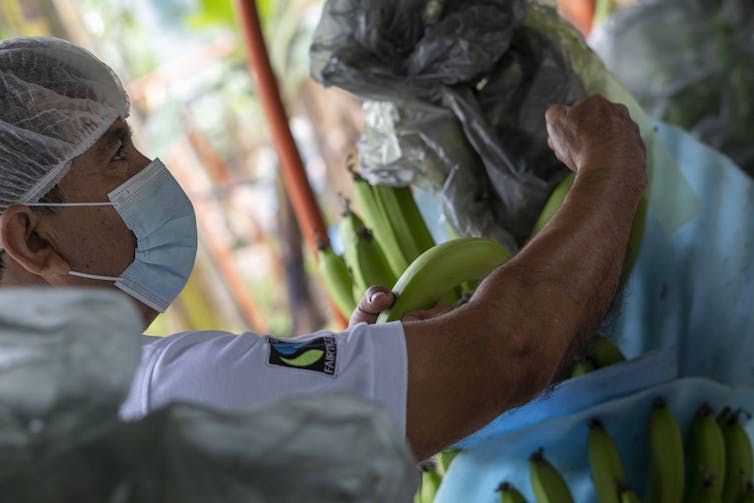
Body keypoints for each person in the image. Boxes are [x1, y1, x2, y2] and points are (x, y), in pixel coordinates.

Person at [0, 36, 645, 461]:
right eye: (117, 153)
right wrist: (612, 166)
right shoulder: (173, 398)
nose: (151, 172)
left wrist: (339, 377)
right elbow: (507, 351)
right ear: (32, 237)